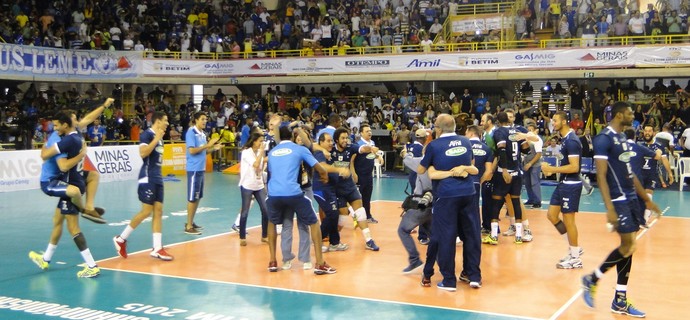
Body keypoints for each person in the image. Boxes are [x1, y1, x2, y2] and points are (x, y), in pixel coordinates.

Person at [582, 102, 661, 317]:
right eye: (628, 113)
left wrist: (646, 199)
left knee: (629, 247)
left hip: (632, 198)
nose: (632, 115)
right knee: (628, 244)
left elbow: (630, 173)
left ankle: (619, 299)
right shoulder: (603, 139)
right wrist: (609, 208)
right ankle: (593, 279)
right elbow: (600, 176)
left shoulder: (623, 139)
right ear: (618, 115)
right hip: (618, 199)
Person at [29, 111, 100, 278]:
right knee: (57, 221)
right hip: (66, 181)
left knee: (72, 227)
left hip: (64, 183)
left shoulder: (67, 140)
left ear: (65, 125)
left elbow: (61, 165)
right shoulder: (74, 136)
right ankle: (45, 259)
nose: (54, 128)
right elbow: (45, 156)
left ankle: (92, 265)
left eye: (56, 125)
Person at [418, 114, 480, 290]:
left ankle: (449, 280)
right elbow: (472, 164)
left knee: (446, 236)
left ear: (437, 128)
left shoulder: (434, 145)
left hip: (446, 195)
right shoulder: (466, 141)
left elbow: (422, 169)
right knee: (471, 235)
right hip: (468, 193)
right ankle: (473, 275)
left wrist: (433, 166)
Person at [265, 126, 336, 275]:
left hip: (273, 193)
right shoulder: (299, 149)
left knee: (273, 223)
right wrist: (325, 176)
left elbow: (273, 172)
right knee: (313, 223)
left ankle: (272, 260)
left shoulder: (272, 152)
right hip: (293, 192)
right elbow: (319, 168)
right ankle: (320, 263)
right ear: (292, 136)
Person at [113, 111, 173, 261]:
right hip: (147, 177)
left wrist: (159, 139)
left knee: (158, 211)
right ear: (157, 121)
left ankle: (157, 248)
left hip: (158, 178)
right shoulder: (147, 135)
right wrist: (156, 139)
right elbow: (143, 153)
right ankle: (121, 239)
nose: (167, 123)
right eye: (165, 120)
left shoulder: (160, 138)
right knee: (146, 211)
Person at [541, 111, 584, 269]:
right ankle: (575, 249)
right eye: (552, 120)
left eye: (556, 120)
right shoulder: (565, 139)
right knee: (551, 215)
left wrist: (552, 169)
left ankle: (575, 258)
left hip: (571, 185)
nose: (553, 123)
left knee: (569, 221)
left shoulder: (572, 141)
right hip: (564, 184)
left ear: (564, 122)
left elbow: (574, 167)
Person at [484, 111, 530, 244]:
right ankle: (519, 236)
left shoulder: (499, 132)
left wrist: (504, 170)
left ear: (497, 121)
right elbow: (526, 151)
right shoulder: (516, 131)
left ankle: (493, 236)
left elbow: (502, 151)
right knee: (516, 203)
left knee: (496, 203)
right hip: (517, 172)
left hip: (505, 173)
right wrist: (526, 140)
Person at [331, 128, 380, 251]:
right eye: (342, 138)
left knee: (361, 211)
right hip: (337, 188)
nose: (345, 140)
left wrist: (371, 148)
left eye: (346, 137)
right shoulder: (330, 150)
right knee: (342, 216)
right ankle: (333, 239)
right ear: (336, 140)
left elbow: (362, 149)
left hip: (350, 186)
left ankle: (369, 240)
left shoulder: (350, 148)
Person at [184, 112, 221, 235]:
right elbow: (192, 150)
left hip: (201, 169)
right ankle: (188, 226)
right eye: (202, 119)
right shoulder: (191, 132)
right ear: (196, 120)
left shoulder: (203, 134)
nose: (205, 121)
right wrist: (207, 145)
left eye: (206, 119)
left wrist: (213, 148)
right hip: (194, 169)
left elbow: (204, 152)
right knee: (192, 198)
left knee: (197, 196)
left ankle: (192, 221)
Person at [237, 132, 269, 246]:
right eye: (260, 141)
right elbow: (255, 164)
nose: (262, 143)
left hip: (258, 184)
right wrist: (261, 152)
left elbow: (260, 166)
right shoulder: (246, 152)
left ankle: (265, 235)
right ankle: (242, 236)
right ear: (254, 141)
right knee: (245, 211)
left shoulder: (259, 152)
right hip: (247, 184)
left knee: (265, 210)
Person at [640, 125, 673, 219]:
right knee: (640, 198)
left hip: (652, 174)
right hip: (640, 175)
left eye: (649, 131)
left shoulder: (659, 146)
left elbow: (664, 160)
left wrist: (670, 173)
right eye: (645, 131)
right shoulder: (640, 146)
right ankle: (645, 212)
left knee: (648, 193)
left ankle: (645, 218)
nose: (647, 133)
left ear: (653, 133)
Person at [352, 124, 383, 223]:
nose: (369, 132)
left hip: (368, 175)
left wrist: (379, 157)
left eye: (370, 131)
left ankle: (368, 217)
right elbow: (352, 160)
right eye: (367, 131)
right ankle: (356, 218)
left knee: (367, 197)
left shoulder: (372, 143)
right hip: (360, 175)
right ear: (361, 133)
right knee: (357, 198)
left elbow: (373, 153)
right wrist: (354, 173)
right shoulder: (358, 145)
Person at [522, 122, 543, 209]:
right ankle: (531, 199)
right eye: (528, 130)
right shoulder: (526, 139)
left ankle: (537, 201)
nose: (529, 132)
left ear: (535, 131)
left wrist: (530, 163)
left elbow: (538, 154)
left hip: (535, 164)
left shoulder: (537, 140)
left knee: (534, 182)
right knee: (527, 183)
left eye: (531, 130)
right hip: (527, 163)